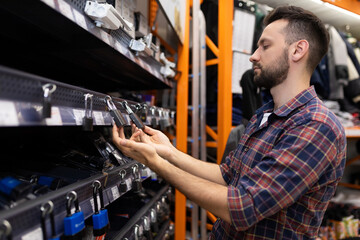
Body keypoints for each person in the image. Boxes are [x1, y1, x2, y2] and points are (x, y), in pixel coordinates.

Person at [112, 5, 347, 239]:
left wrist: (156, 163)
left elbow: (243, 207)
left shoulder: (316, 125)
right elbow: (227, 174)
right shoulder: (266, 114)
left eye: (265, 46)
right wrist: (168, 152)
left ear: (298, 50)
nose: (254, 56)